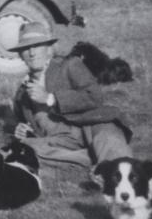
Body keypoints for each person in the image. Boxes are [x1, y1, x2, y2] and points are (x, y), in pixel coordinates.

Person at [9, 22, 133, 169]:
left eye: (36, 46)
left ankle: (114, 168)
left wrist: (50, 98)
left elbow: (95, 97)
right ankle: (95, 159)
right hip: (61, 141)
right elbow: (33, 127)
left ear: (47, 48)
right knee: (22, 148)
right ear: (20, 55)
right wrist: (26, 131)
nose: (32, 53)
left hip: (91, 124)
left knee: (107, 138)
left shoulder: (69, 65)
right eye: (26, 48)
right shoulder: (22, 94)